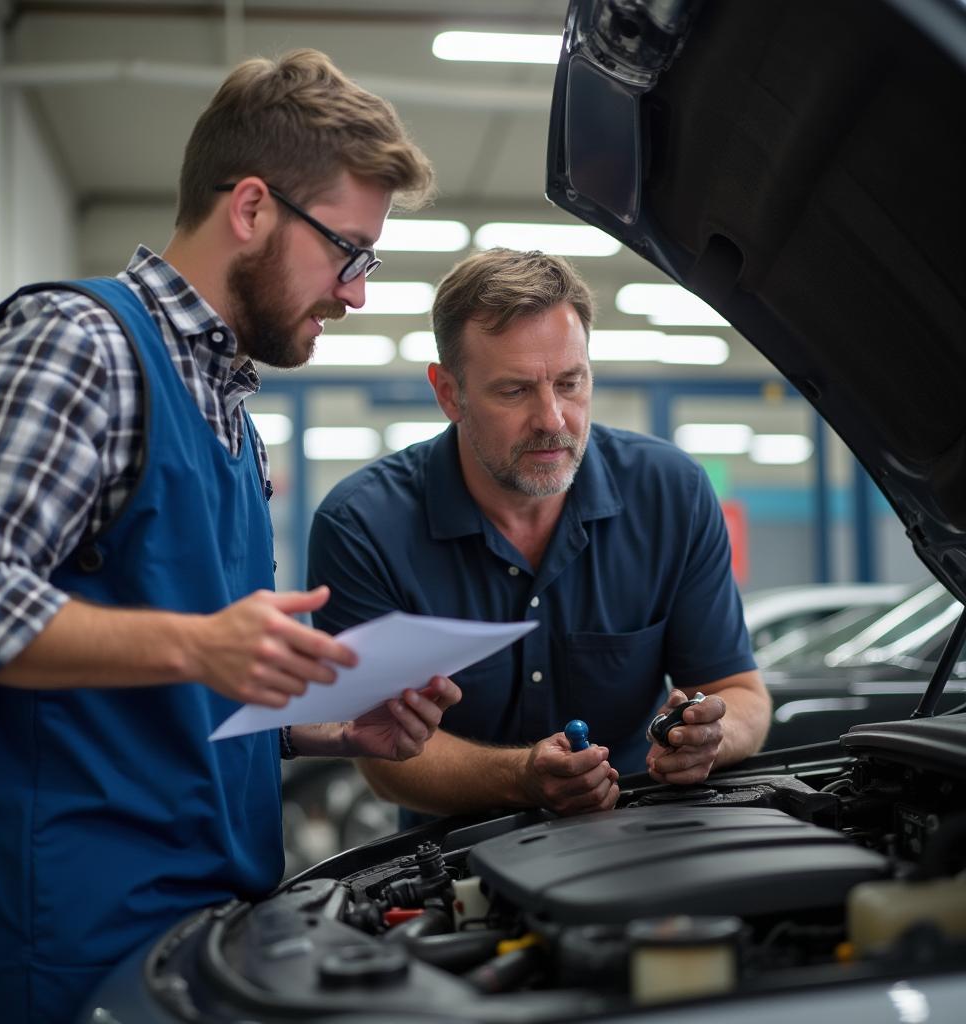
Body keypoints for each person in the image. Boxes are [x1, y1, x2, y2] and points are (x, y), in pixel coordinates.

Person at [0, 50, 461, 1024]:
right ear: (253, 208)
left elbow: (164, 696)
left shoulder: (226, 413)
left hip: (205, 925)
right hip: (72, 946)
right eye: (348, 250)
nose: (355, 291)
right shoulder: (78, 344)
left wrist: (326, 729)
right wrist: (199, 640)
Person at [308, 248, 771, 828]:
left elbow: (742, 695)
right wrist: (522, 777)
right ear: (449, 392)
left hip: (639, 840)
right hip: (454, 863)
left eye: (571, 383)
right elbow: (385, 757)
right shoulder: (363, 526)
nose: (552, 418)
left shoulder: (671, 494)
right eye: (514, 391)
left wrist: (712, 735)